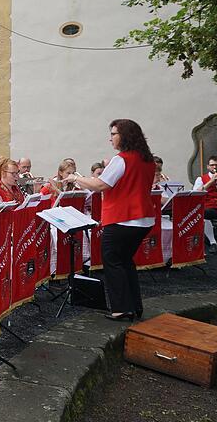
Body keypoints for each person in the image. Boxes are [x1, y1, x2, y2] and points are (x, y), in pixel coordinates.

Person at [65, 119, 156, 321]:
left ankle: (122, 308)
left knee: (113, 262)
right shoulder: (147, 160)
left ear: (125, 135)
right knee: (125, 261)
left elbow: (100, 185)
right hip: (144, 219)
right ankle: (134, 306)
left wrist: (75, 179)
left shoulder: (121, 159)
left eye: (114, 134)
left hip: (123, 218)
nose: (111, 138)